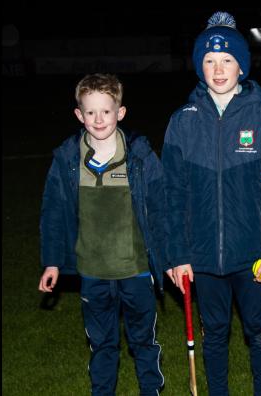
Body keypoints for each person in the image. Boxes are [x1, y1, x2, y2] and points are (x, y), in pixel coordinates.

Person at [161, 11, 261, 396]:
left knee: (259, 335)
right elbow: (172, 195)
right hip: (201, 257)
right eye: (210, 61)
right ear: (200, 65)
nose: (218, 69)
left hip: (253, 256)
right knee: (213, 334)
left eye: (227, 60)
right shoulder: (183, 121)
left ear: (241, 66)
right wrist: (176, 254)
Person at [38, 73, 168, 396]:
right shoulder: (68, 160)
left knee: (143, 342)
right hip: (93, 272)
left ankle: (150, 390)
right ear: (79, 115)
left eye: (106, 111)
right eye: (91, 112)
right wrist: (52, 261)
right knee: (102, 345)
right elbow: (53, 212)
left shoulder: (139, 157)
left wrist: (171, 258)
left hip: (135, 270)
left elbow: (162, 210)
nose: (99, 119)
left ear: (120, 112)